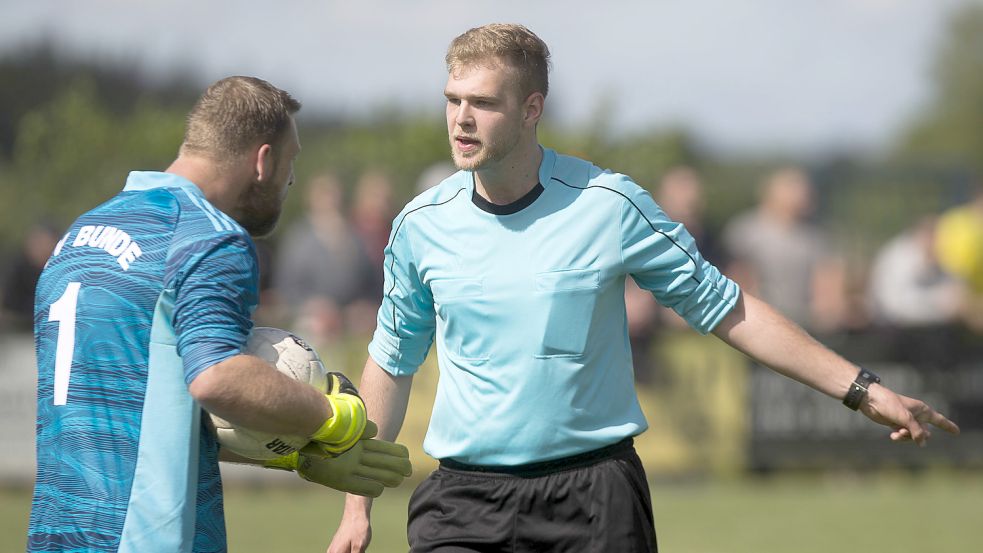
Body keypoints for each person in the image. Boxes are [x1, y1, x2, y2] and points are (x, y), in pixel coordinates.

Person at [327, 24, 960, 553]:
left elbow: (728, 307)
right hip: (462, 503)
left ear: (531, 108)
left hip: (593, 498)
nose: (461, 119)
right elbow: (392, 358)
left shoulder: (609, 205)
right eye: (452, 98)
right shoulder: (420, 225)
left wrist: (859, 388)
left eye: (484, 102)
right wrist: (357, 506)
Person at [28, 76, 411, 553]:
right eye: (290, 163)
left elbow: (136, 414)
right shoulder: (209, 237)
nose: (291, 180)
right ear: (263, 159)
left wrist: (291, 455)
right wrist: (333, 420)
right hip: (147, 537)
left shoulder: (83, 234)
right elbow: (216, 376)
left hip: (56, 531)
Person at [721, 167, 849, 334]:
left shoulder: (817, 236)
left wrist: (829, 312)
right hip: (757, 322)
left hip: (806, 324)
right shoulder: (746, 232)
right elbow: (737, 277)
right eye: (792, 189)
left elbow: (828, 280)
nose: (800, 195)